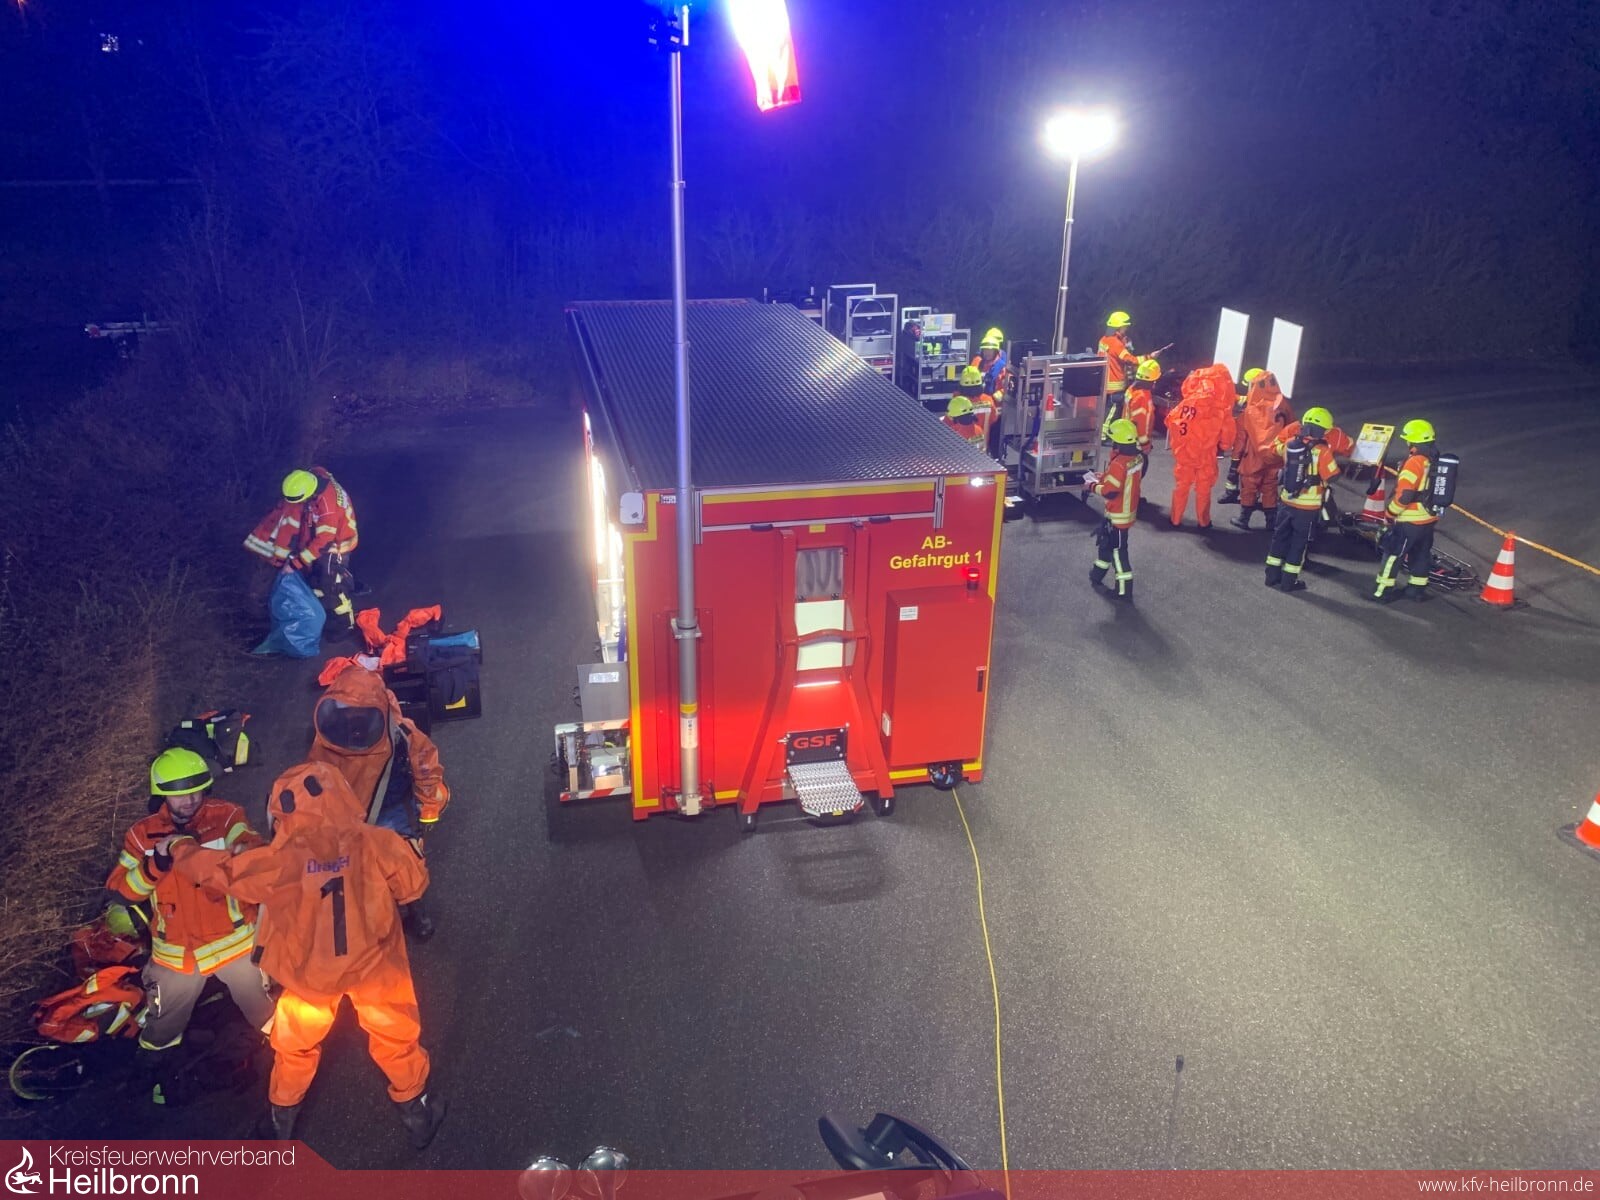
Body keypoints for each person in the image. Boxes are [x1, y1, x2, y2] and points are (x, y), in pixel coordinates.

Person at [169, 762, 447, 1149]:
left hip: (309, 976)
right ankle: (417, 1112)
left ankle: (277, 1125)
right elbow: (413, 887)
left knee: (295, 1048)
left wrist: (179, 848)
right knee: (395, 1037)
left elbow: (224, 872)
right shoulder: (375, 841)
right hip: (375, 965)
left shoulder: (280, 860)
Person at [106, 748, 274, 1105]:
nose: (191, 800)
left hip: (233, 943)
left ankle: (290, 1059)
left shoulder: (226, 816)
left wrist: (247, 851)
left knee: (264, 1011)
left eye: (197, 791)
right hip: (177, 955)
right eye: (181, 794)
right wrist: (155, 864)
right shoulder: (141, 836)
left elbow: (248, 842)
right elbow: (121, 890)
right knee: (163, 1026)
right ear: (162, 794)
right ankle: (152, 1072)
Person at [306, 666, 450, 941]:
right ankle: (379, 919)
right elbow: (312, 779)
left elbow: (426, 768)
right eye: (349, 712)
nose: (354, 720)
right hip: (355, 813)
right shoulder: (330, 738)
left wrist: (428, 807)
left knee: (397, 864)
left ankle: (412, 912)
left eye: (360, 714)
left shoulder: (398, 733)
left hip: (383, 810)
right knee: (362, 869)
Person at [244, 468, 361, 634]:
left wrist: (295, 564)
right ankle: (324, 609)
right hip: (323, 537)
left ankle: (344, 623)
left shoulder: (328, 509)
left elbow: (324, 542)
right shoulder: (314, 477)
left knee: (331, 583)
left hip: (337, 544)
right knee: (314, 578)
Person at [1264, 406, 1340, 591]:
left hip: (1286, 501)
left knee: (1279, 538)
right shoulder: (1322, 450)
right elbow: (1332, 476)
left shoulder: (1291, 443)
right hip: (1307, 508)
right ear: (1324, 430)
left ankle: (1271, 577)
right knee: (1298, 544)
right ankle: (1289, 582)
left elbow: (1277, 451)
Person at [1372, 419, 1440, 602]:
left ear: (1412, 441)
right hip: (1429, 519)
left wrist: (1390, 513)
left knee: (1393, 555)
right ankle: (1416, 591)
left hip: (1409, 520)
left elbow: (1405, 495)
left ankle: (1382, 591)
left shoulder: (1415, 462)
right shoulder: (1434, 460)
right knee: (1421, 554)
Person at [1165, 363, 1237, 529]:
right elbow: (1227, 437)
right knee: (1203, 488)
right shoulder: (1221, 409)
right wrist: (1223, 445)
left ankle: (1175, 519)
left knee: (1181, 486)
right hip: (1206, 455)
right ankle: (1203, 522)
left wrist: (1180, 443)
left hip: (1184, 453)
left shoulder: (1185, 404)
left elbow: (1170, 421)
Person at [1082, 419, 1144, 600]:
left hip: (1117, 515)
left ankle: (1124, 591)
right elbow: (1123, 480)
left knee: (1118, 553)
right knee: (1106, 545)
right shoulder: (1136, 458)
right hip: (1126, 512)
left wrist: (1092, 486)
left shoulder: (1118, 463)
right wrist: (1104, 476)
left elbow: (1110, 491)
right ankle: (1097, 574)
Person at [1228, 369, 1292, 530]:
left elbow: (1241, 439)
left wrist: (1235, 460)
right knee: (1270, 488)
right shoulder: (1283, 405)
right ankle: (1271, 522)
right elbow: (1292, 428)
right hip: (1276, 456)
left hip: (1253, 457)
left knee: (1249, 488)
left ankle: (1244, 519)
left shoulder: (1250, 411)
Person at [1218, 367, 1264, 504]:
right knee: (1234, 469)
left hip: (1253, 443)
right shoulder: (1254, 397)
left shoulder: (1265, 401)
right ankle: (1231, 493)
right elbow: (1240, 399)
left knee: (1252, 473)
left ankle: (1251, 497)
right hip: (1241, 442)